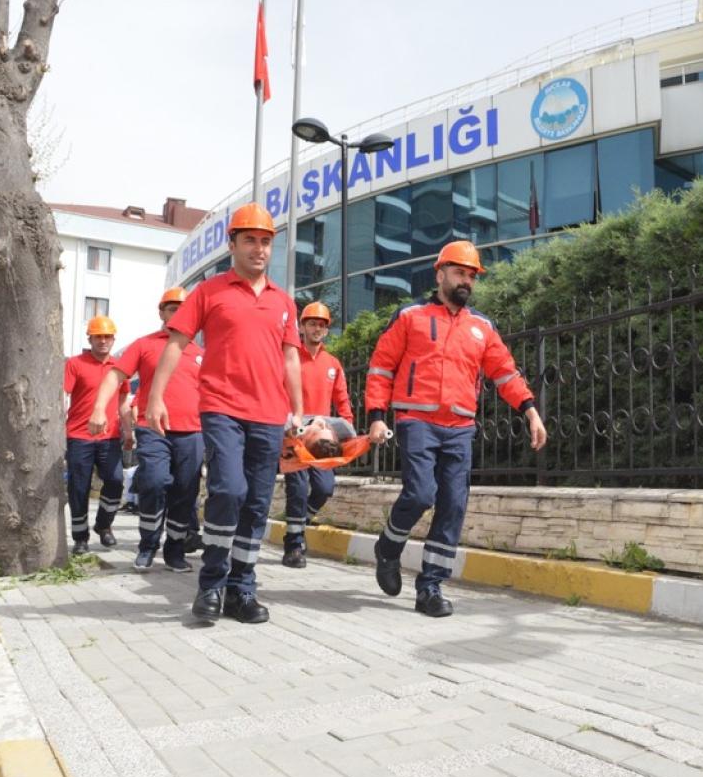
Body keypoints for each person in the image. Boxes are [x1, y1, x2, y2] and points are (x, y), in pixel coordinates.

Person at [366, 240, 547, 617]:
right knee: (420, 493)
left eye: (471, 275)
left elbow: (505, 372)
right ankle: (388, 547)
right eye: (459, 272)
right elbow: (381, 367)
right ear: (440, 274)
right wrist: (377, 415)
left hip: (460, 426)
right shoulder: (410, 316)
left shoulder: (482, 327)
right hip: (417, 419)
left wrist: (530, 409)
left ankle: (430, 586)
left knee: (453, 504)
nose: (466, 280)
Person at [145, 203, 303, 624]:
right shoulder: (209, 292)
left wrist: (299, 412)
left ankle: (241, 590)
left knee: (256, 503)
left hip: (269, 415)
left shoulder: (284, 302)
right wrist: (155, 398)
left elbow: (291, 359)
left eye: (265, 241)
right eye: (249, 240)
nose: (258, 248)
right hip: (222, 408)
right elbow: (176, 344)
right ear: (232, 244)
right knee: (229, 490)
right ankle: (212, 584)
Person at [89, 288, 203, 573]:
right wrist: (100, 408)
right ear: (161, 312)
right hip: (154, 429)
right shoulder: (144, 345)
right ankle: (148, 546)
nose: (178, 313)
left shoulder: (200, 353)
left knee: (185, 492)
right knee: (153, 482)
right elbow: (114, 376)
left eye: (184, 309)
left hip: (193, 432)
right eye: (172, 308)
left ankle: (175, 550)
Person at [281, 301, 354, 569]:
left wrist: (347, 426)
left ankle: (299, 524)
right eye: (312, 323)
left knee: (325, 488)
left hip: (322, 437)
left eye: (322, 325)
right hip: (294, 433)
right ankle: (293, 546)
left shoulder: (333, 364)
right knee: (298, 489)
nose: (317, 329)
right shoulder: (290, 358)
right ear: (302, 327)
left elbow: (342, 400)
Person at [64, 315, 128, 555]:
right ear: (89, 338)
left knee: (116, 480)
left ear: (113, 340)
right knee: (78, 488)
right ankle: (80, 538)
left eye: (107, 337)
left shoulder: (120, 367)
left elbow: (123, 401)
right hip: (78, 436)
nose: (103, 341)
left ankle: (104, 524)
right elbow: (62, 395)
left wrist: (128, 430)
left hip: (109, 437)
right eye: (98, 336)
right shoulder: (75, 364)